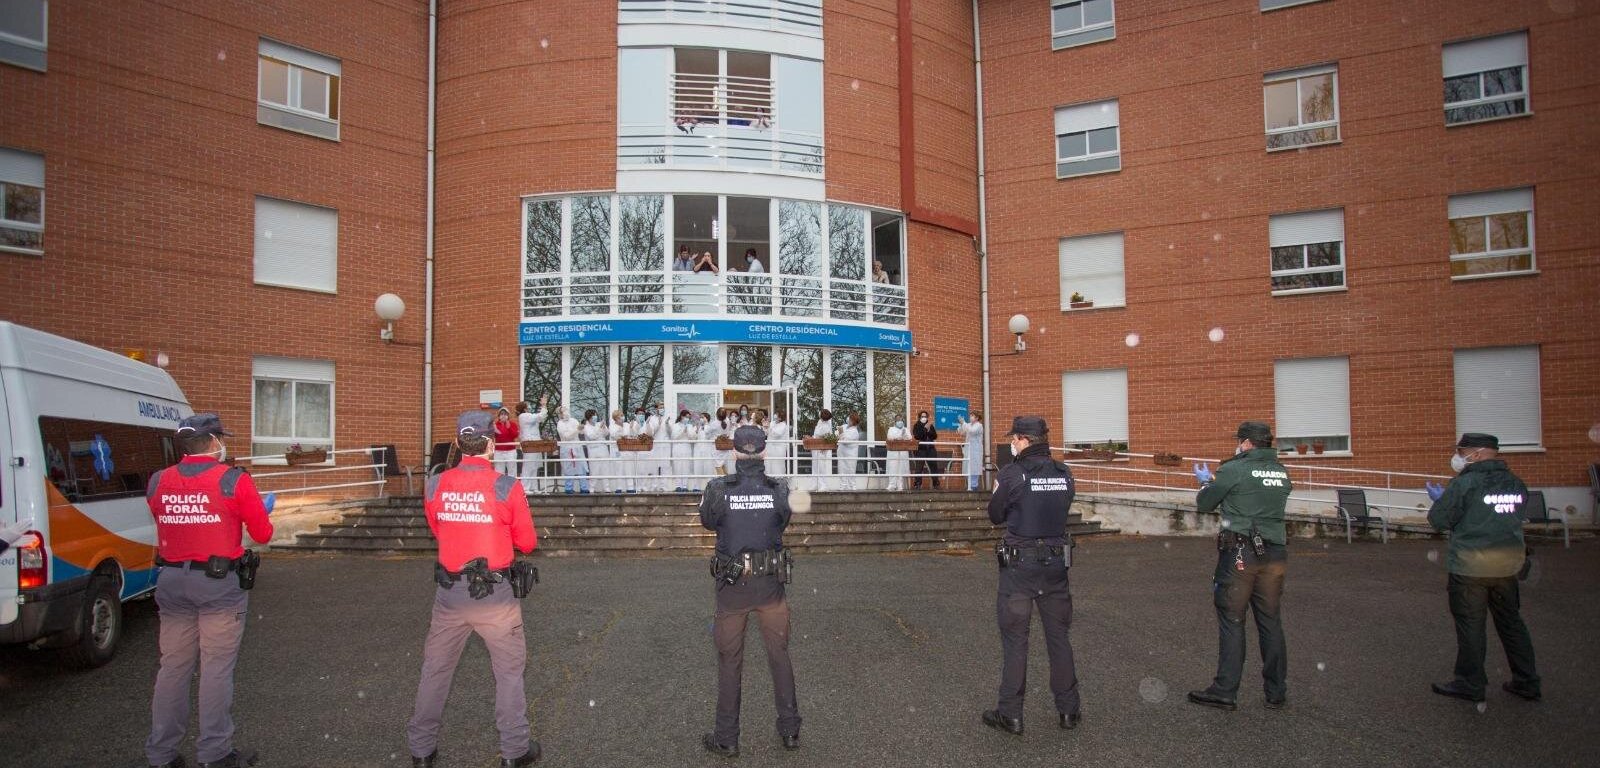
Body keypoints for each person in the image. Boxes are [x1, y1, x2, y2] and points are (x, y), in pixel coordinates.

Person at [407, 410, 540, 768]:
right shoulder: (506, 486)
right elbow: (527, 542)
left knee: (436, 670)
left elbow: (439, 529)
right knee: (508, 673)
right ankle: (514, 750)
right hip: (495, 595)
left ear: (457, 443)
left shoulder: (435, 484)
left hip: (449, 594)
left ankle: (421, 749)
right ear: (491, 445)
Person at [144, 413, 273, 768]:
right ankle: (214, 753)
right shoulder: (233, 480)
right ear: (214, 442)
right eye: (221, 439)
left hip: (172, 581)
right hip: (218, 585)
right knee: (215, 668)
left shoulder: (158, 480)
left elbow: (167, 518)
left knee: (173, 668)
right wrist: (259, 510)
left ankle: (161, 754)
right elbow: (262, 533)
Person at [699, 425, 802, 757]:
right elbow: (781, 522)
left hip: (733, 588)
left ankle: (727, 738)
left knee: (730, 661)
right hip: (770, 585)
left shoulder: (718, 488)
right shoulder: (780, 489)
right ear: (764, 452)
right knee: (779, 656)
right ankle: (790, 730)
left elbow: (707, 521)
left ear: (734, 452)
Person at [981, 416, 1081, 736]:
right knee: (1059, 638)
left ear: (1024, 440)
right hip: (1055, 566)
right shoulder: (1064, 473)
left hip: (1020, 569)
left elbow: (995, 514)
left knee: (1016, 640)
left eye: (1014, 439)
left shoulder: (1012, 474)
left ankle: (1010, 714)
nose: (1012, 443)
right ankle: (1069, 710)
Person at [1424, 433, 1540, 704]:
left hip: (1471, 567)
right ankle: (1527, 681)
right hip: (1507, 566)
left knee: (1471, 625)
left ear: (1475, 454)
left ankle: (1470, 683)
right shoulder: (1515, 482)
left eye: (1461, 451)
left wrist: (1440, 500)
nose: (1457, 457)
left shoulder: (1465, 483)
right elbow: (1511, 516)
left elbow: (1439, 520)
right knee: (1511, 624)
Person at [1186, 421, 1292, 712]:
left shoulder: (1234, 469)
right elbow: (1258, 497)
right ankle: (1276, 691)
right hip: (1274, 553)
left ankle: (1225, 690)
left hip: (1241, 553)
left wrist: (1206, 482)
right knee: (1270, 621)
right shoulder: (1281, 472)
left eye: (1239, 441)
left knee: (1232, 619)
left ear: (1246, 443)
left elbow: (1206, 503)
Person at [517, 397, 549, 494]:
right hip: (529, 443)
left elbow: (541, 417)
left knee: (534, 466)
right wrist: (543, 405)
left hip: (535, 443)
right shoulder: (523, 416)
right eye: (528, 405)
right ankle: (525, 488)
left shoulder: (529, 416)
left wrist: (543, 407)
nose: (530, 406)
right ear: (524, 408)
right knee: (528, 465)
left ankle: (533, 488)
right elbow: (540, 416)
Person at [555, 407, 588, 494]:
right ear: (560, 414)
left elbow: (581, 432)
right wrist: (577, 430)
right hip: (567, 448)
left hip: (577, 446)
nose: (566, 412)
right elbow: (566, 436)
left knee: (581, 466)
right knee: (568, 468)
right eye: (563, 411)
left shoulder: (574, 420)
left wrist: (582, 428)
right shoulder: (560, 424)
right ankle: (569, 488)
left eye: (566, 410)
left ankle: (584, 487)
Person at [958, 412, 986, 491]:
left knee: (974, 469)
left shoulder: (979, 426)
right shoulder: (969, 425)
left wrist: (964, 423)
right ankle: (969, 486)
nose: (971, 417)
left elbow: (972, 431)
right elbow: (961, 432)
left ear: (977, 418)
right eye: (970, 416)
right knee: (968, 468)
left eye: (972, 416)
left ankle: (974, 487)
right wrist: (961, 424)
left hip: (975, 451)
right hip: (968, 450)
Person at [912, 410, 940, 490]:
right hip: (921, 450)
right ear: (919, 417)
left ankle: (936, 483)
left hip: (931, 449)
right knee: (919, 467)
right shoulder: (916, 425)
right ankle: (917, 484)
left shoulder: (930, 425)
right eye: (922, 416)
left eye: (925, 416)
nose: (924, 418)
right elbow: (917, 436)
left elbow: (934, 436)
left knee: (933, 466)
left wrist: (928, 430)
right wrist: (925, 429)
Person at [671, 409, 695, 492]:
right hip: (677, 447)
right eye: (686, 417)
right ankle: (678, 485)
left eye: (688, 417)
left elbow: (693, 438)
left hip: (686, 447)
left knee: (686, 466)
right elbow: (674, 437)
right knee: (677, 466)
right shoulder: (675, 425)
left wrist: (688, 432)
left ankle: (684, 485)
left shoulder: (690, 426)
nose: (687, 419)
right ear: (682, 416)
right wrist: (682, 431)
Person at [810, 409, 834, 491]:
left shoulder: (827, 425)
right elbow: (816, 434)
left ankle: (823, 485)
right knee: (815, 466)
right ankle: (815, 484)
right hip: (815, 446)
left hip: (821, 448)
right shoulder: (820, 422)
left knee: (821, 467)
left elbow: (825, 437)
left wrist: (824, 447)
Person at [885, 416, 911, 491]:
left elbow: (909, 438)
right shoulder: (891, 429)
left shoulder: (906, 429)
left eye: (901, 420)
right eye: (898, 420)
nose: (900, 421)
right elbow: (890, 437)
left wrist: (904, 435)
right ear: (895, 421)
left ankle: (900, 485)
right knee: (893, 468)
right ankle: (892, 485)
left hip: (902, 452)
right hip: (893, 452)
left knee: (901, 469)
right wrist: (900, 436)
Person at [837, 413, 862, 491]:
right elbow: (837, 434)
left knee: (850, 470)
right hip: (841, 453)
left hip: (850, 455)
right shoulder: (845, 427)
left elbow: (845, 441)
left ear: (853, 421)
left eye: (850, 419)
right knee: (841, 469)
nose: (848, 420)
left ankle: (852, 487)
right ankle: (843, 486)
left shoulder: (854, 432)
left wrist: (841, 433)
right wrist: (840, 432)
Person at [492, 407, 519, 477]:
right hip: (499, 452)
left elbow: (515, 435)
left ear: (508, 416)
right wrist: (494, 430)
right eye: (501, 414)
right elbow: (492, 437)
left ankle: (512, 484)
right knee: (499, 472)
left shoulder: (513, 424)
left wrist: (509, 428)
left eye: (505, 414)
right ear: (499, 416)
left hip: (511, 451)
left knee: (512, 471)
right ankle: (500, 484)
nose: (503, 415)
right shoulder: (495, 425)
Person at [766, 411, 791, 478]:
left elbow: (777, 434)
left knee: (777, 466)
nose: (775, 416)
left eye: (777, 415)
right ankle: (769, 478)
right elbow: (767, 432)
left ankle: (779, 479)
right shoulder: (772, 423)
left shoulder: (783, 425)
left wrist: (769, 428)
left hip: (779, 449)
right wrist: (766, 427)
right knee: (769, 464)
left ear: (780, 418)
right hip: (770, 449)